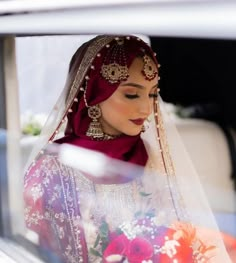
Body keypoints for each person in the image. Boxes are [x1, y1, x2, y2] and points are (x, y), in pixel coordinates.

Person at [24, 35, 232, 262]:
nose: (146, 108)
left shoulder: (150, 156)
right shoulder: (53, 169)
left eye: (152, 94)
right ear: (93, 93)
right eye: (131, 94)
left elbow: (176, 235)